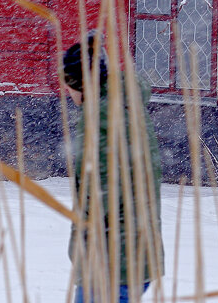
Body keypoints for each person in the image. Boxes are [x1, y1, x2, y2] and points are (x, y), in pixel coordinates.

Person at [61, 33, 163, 303]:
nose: (66, 91)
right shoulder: (126, 105)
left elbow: (100, 197)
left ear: (79, 83)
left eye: (68, 83)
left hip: (112, 261)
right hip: (132, 255)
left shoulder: (102, 117)